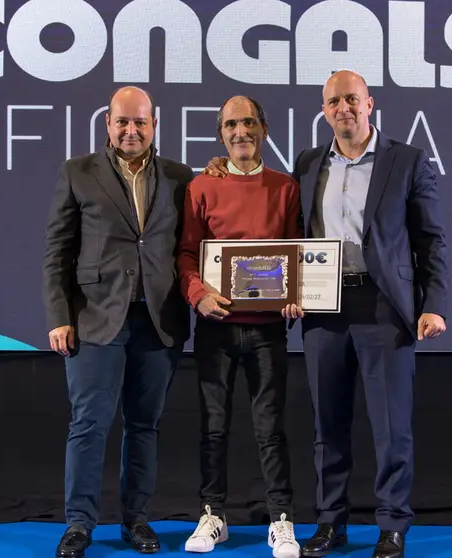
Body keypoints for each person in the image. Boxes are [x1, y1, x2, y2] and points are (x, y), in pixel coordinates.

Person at [204, 70, 449, 558]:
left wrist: (434, 305)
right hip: (324, 307)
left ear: (370, 104)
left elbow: (430, 240)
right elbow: (290, 233)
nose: (344, 108)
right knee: (327, 425)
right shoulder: (309, 162)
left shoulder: (408, 160)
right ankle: (330, 524)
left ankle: (392, 526)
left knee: (390, 424)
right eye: (334, 101)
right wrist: (221, 168)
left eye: (352, 99)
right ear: (324, 110)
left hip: (385, 307)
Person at [42, 86, 193, 558]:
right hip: (93, 319)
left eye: (140, 122)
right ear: (107, 124)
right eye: (122, 122)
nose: (131, 130)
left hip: (159, 319)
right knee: (88, 424)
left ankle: (137, 520)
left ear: (154, 125)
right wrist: (59, 316)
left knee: (144, 425)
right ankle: (79, 524)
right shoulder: (77, 172)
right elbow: (57, 253)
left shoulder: (181, 176)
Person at [177, 96, 303, 558]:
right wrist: (198, 295)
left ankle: (281, 519)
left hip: (270, 329)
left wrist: (298, 297)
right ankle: (213, 515)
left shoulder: (286, 187)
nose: (240, 131)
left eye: (248, 122)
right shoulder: (200, 187)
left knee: (270, 428)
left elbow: (297, 254)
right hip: (215, 327)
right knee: (213, 427)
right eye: (230, 124)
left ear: (263, 129)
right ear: (221, 133)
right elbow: (187, 254)